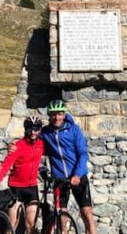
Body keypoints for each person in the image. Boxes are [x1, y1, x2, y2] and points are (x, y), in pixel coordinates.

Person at [40, 99, 97, 234]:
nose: (57, 118)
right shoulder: (45, 132)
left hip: (78, 176)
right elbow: (33, 144)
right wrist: (14, 146)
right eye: (53, 114)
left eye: (59, 114)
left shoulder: (73, 129)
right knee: (61, 214)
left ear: (64, 114)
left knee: (86, 212)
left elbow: (83, 153)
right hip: (60, 179)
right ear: (49, 115)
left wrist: (77, 175)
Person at [0, 115, 44, 233]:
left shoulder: (41, 144)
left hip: (32, 188)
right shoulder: (18, 146)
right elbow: (5, 165)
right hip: (16, 188)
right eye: (30, 128)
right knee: (12, 225)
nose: (33, 132)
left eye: (36, 129)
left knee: (31, 225)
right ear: (26, 129)